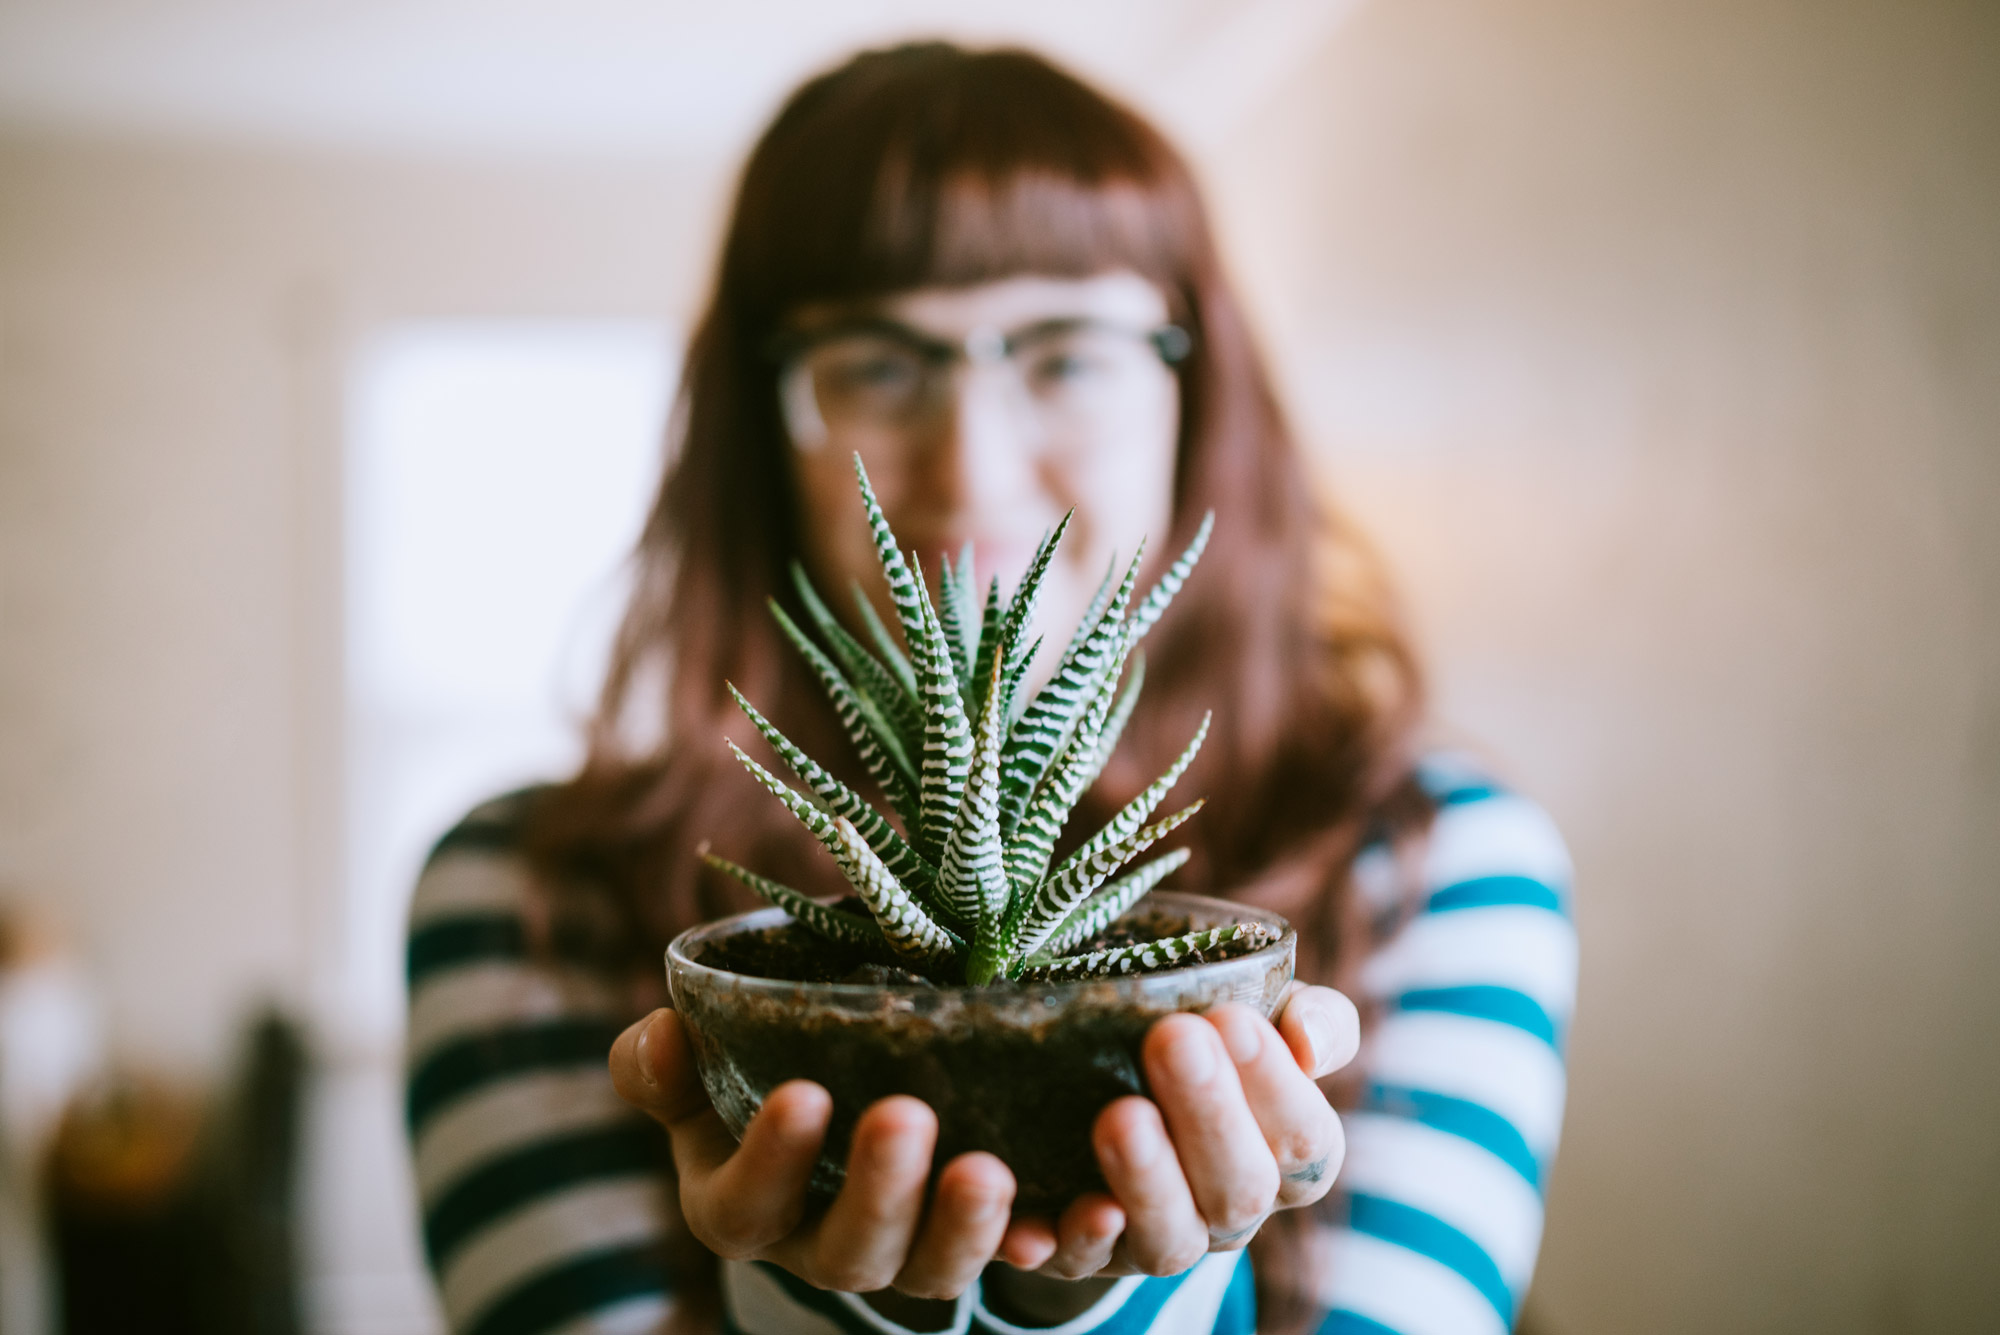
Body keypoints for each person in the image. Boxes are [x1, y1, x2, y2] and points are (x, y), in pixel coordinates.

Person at [404, 42, 1576, 1335]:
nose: (971, 467)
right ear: (761, 422)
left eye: (1067, 354)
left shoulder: (1437, 856)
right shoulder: (519, 889)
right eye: (878, 361)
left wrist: (1107, 1301)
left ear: (1198, 393)